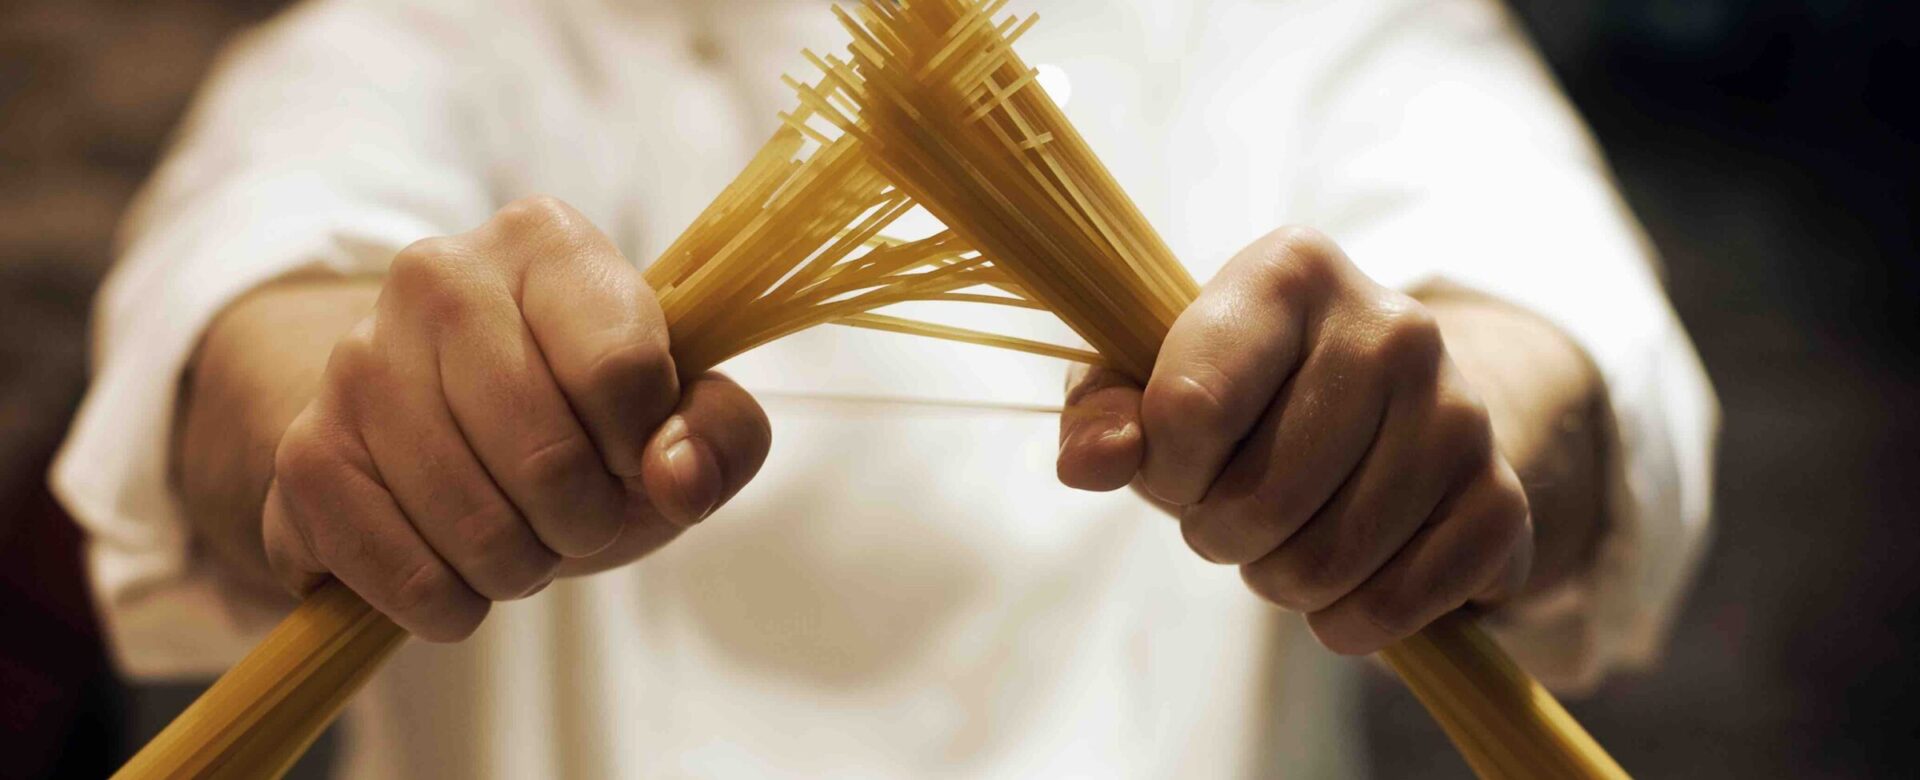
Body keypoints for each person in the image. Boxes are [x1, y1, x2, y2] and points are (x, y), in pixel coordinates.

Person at [53, 0, 1719, 776]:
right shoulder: (432, 39)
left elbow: (1548, 328)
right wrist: (355, 427)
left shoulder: (1319, 32)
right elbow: (252, 294)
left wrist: (1441, 436)